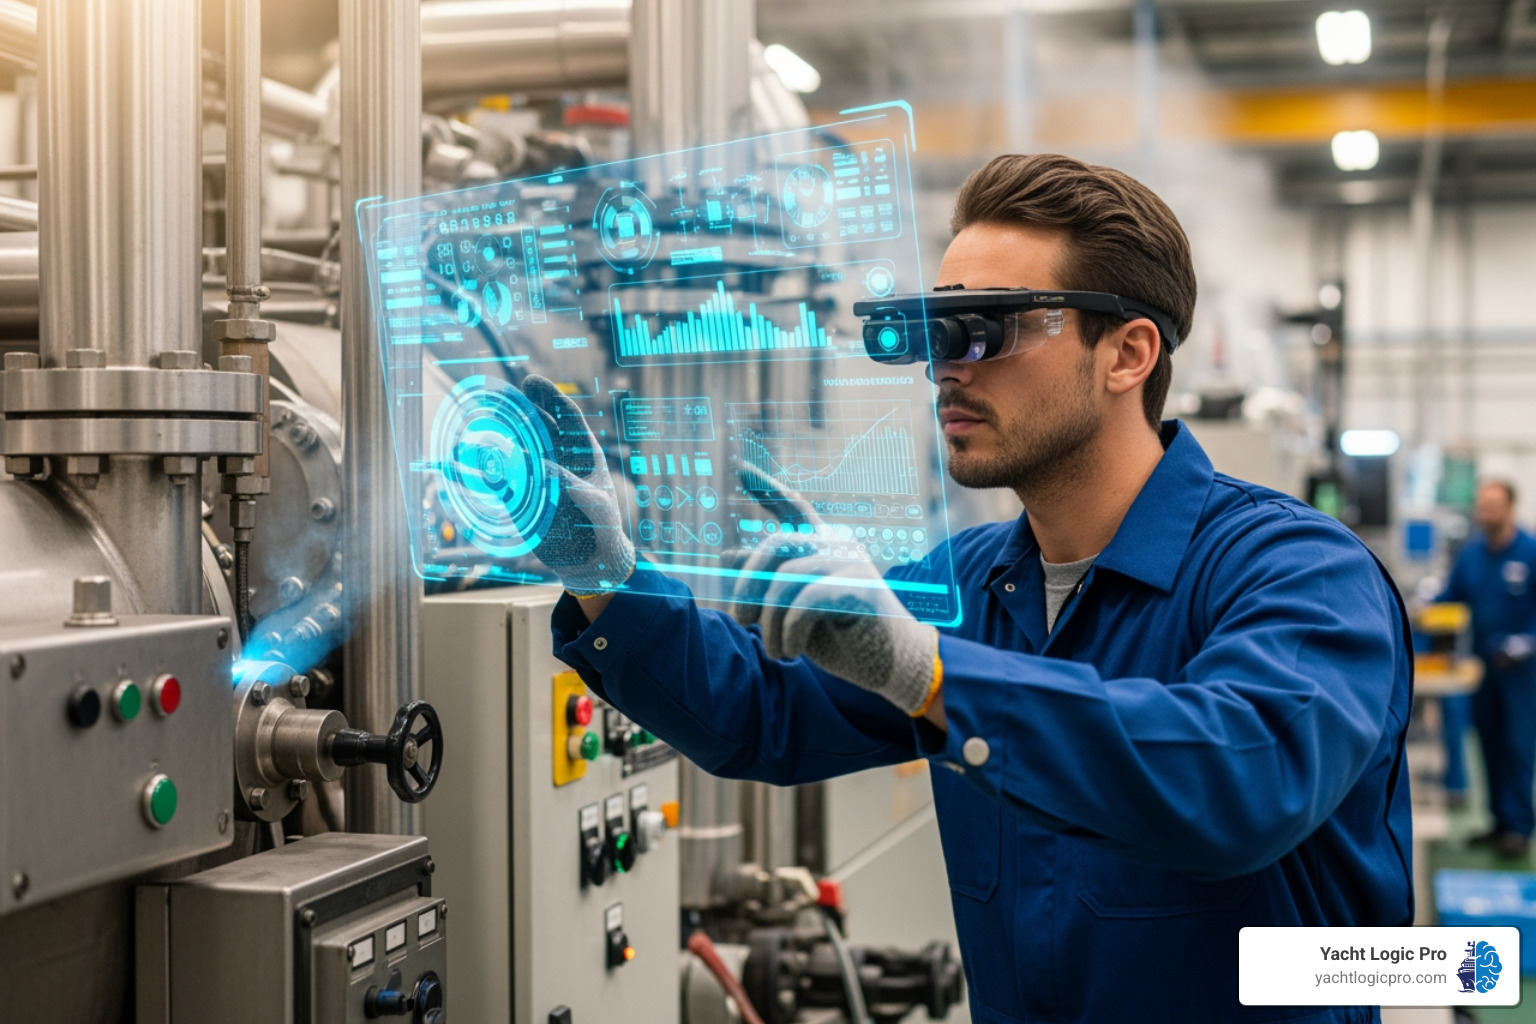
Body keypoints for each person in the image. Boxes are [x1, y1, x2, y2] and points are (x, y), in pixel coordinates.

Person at [531, 154, 1414, 1023]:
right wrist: (607, 578)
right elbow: (761, 710)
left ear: (1128, 353)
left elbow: (1240, 781)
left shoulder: (1301, 572)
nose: (947, 368)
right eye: (935, 333)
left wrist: (932, 673)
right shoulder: (973, 581)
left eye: (989, 326)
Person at [1440, 480, 1536, 857]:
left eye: (1494, 506)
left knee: (1517, 746)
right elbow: (1451, 595)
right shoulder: (1471, 554)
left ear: (1510, 508)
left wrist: (1525, 642)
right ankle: (1497, 822)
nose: (1486, 513)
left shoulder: (1529, 552)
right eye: (1482, 506)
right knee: (1488, 744)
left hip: (1521, 673)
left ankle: (1519, 827)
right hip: (1482, 668)